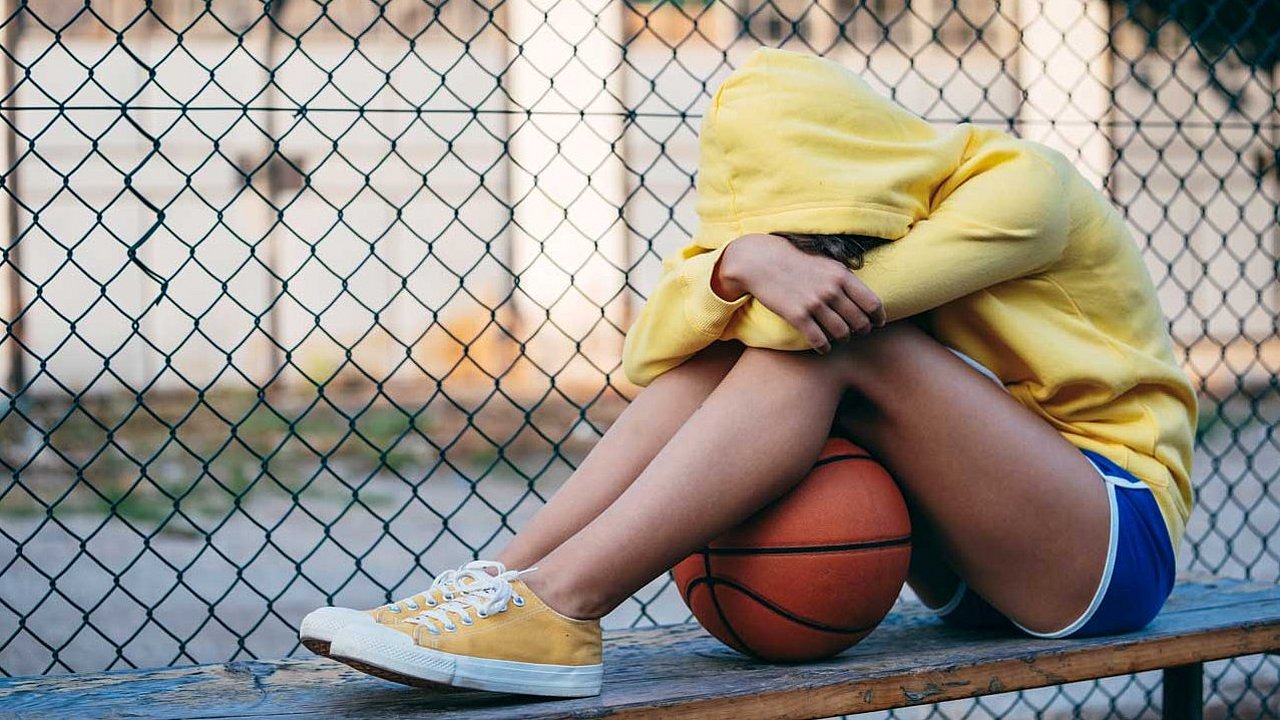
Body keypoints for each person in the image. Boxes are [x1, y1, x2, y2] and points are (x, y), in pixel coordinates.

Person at [299, 47, 1196, 698]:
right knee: (754, 341)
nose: (807, 250)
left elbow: (831, 319)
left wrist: (739, 267)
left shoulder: (1023, 188)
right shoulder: (867, 221)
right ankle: (507, 582)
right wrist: (739, 261)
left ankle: (569, 605)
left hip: (1110, 531)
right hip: (973, 546)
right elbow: (655, 357)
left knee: (835, 338)